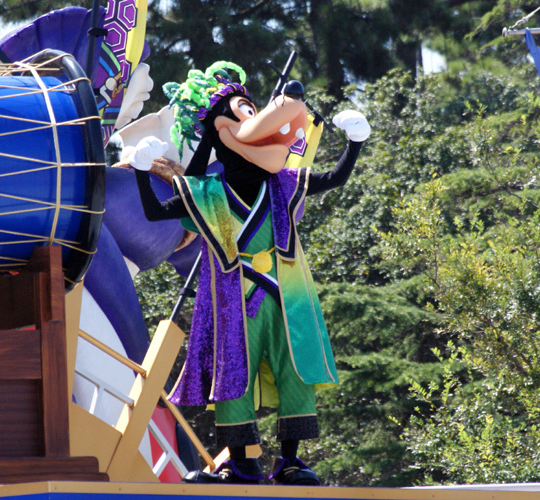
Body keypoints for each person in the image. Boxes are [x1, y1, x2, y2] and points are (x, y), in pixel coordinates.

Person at [128, 61, 370, 485]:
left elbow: (333, 179)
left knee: (295, 371)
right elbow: (155, 211)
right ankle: (243, 464)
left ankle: (290, 462)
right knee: (232, 376)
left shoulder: (284, 184)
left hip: (285, 298)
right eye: (240, 114)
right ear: (218, 134)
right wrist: (143, 171)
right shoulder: (209, 192)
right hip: (232, 302)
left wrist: (355, 143)